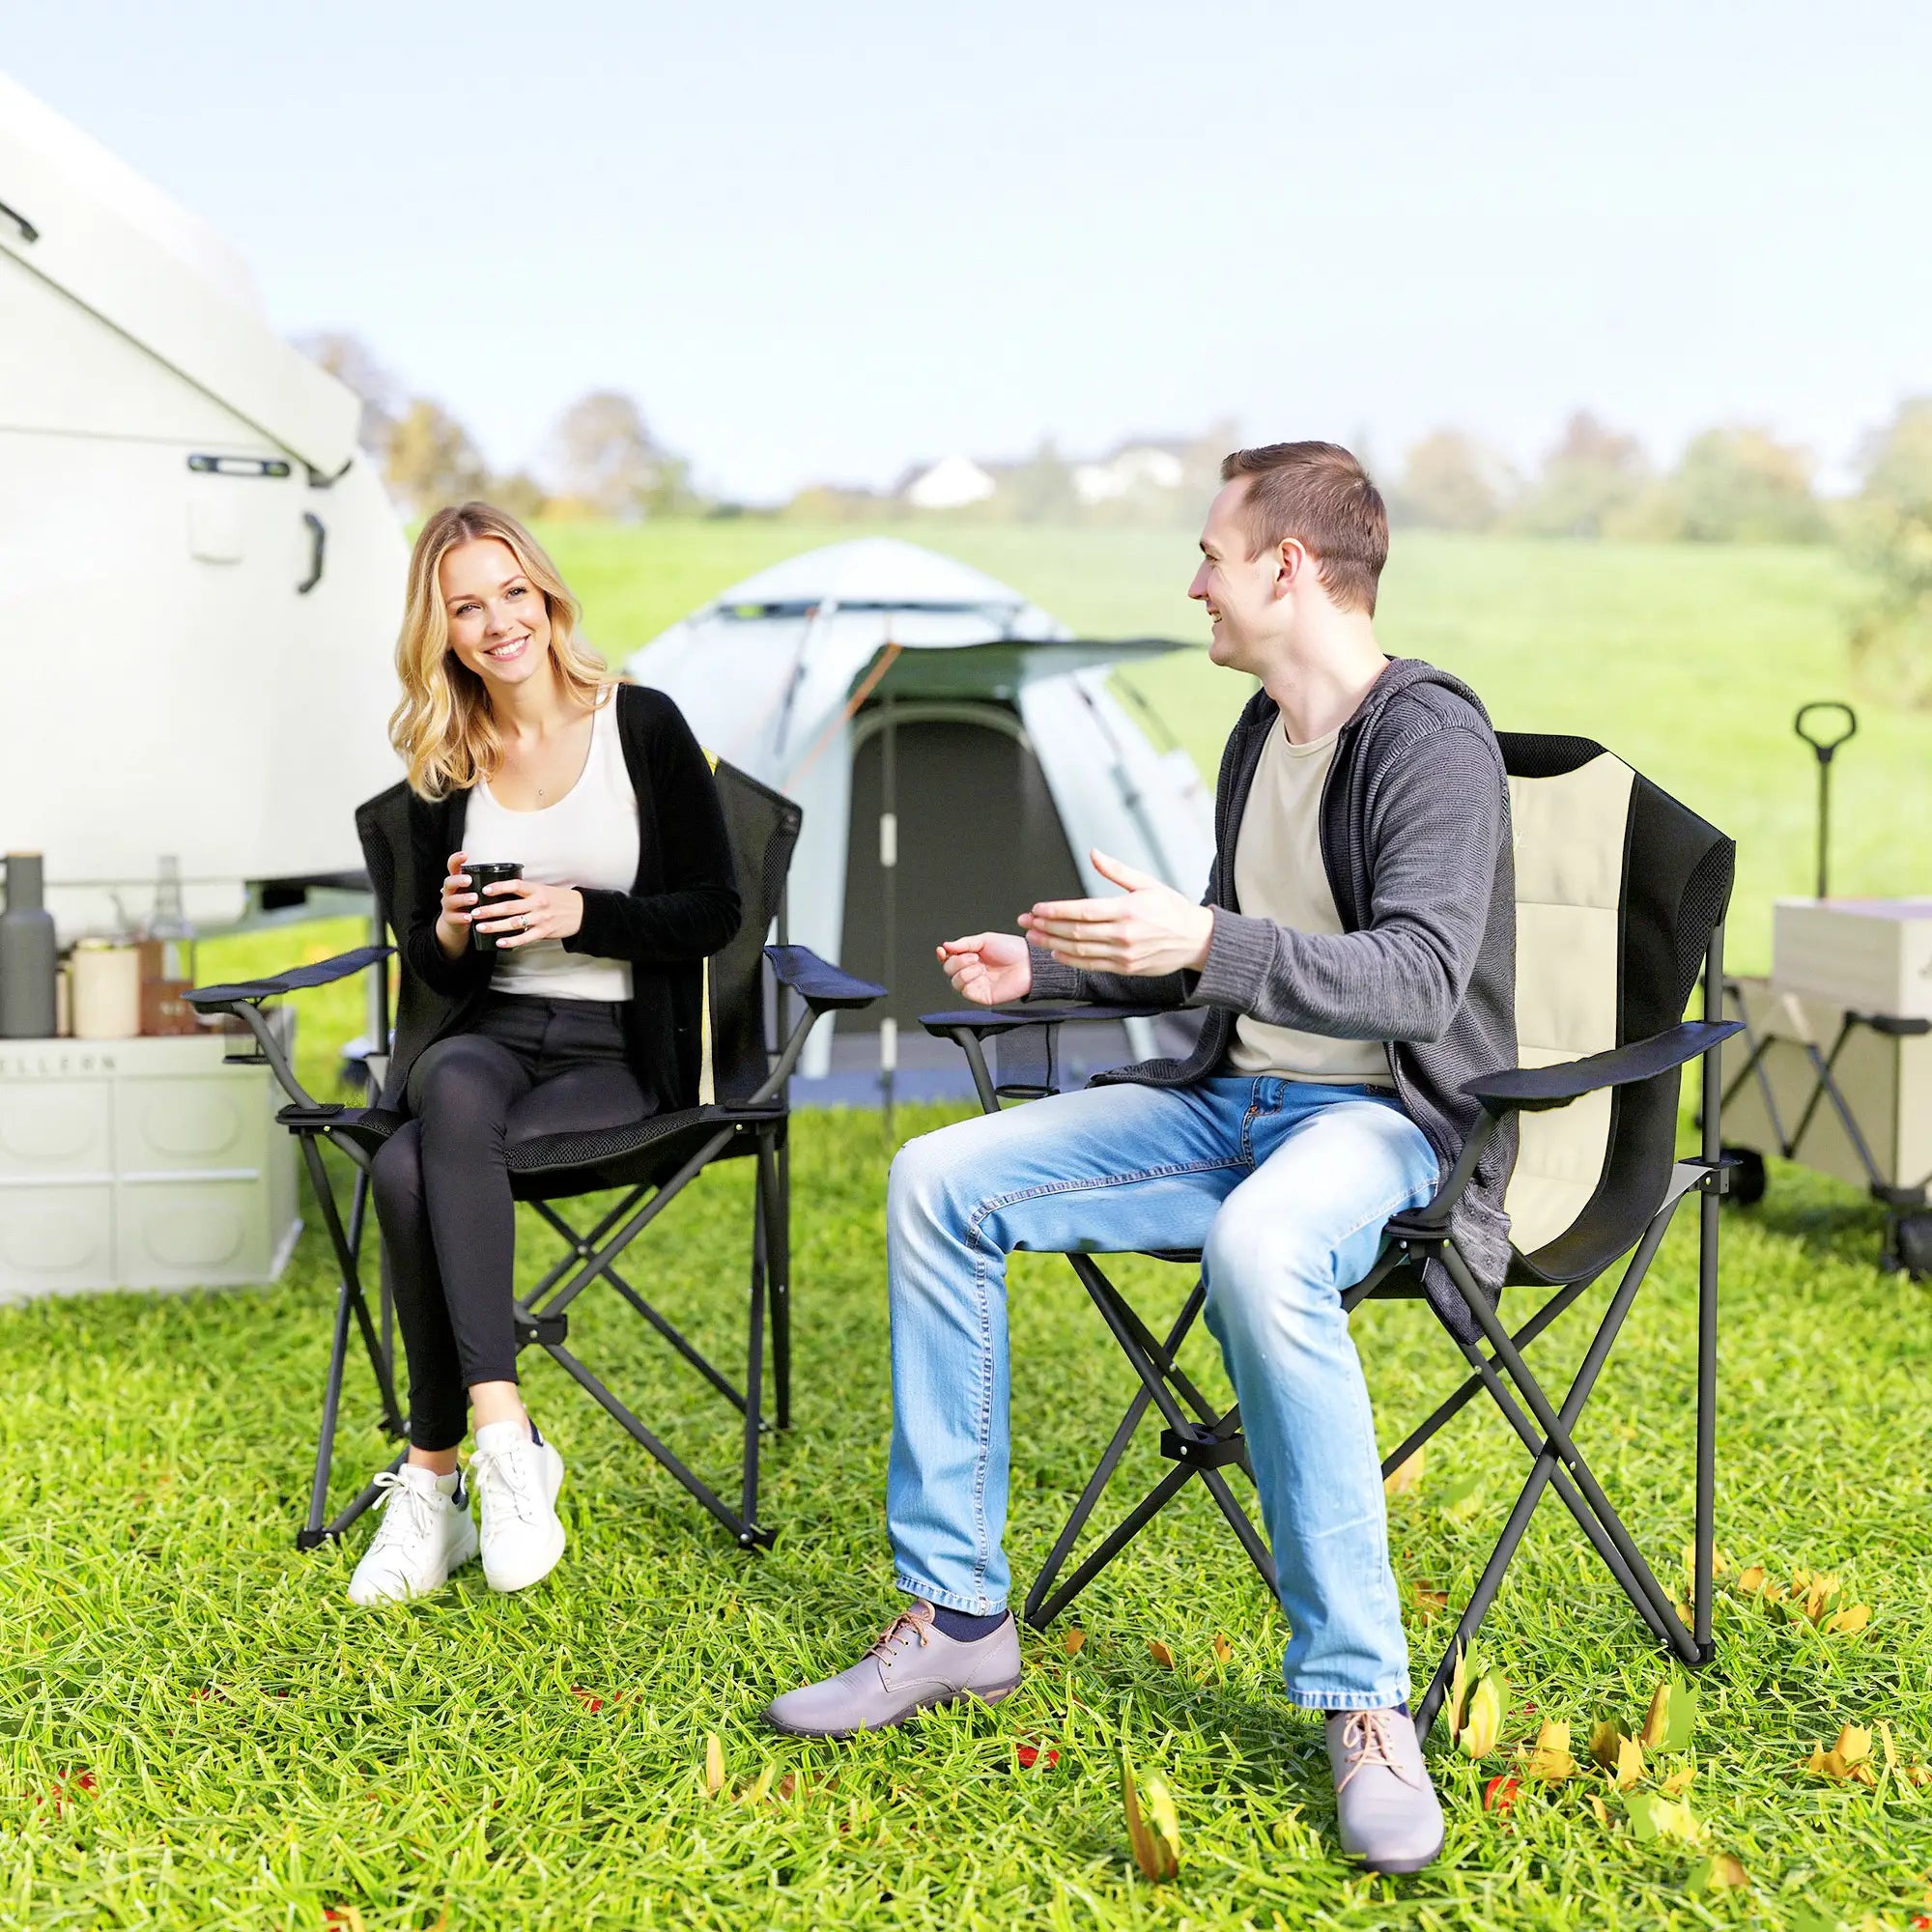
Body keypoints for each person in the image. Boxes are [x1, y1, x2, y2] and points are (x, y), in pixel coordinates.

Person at [766, 442, 1517, 1876]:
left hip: (1378, 1126)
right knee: (939, 1180)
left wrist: (1205, 939)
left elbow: (1420, 981)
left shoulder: (1429, 740)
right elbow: (1224, 971)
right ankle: (961, 1620)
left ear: (1287, 569)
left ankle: (1364, 1701)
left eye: (1212, 555)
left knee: (1261, 1244)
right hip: (1226, 1102)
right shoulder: (1258, 735)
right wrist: (1050, 969)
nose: (1195, 583)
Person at [348, 503, 739, 1607]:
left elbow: (713, 909)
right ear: (443, 631)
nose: (496, 621)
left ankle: (432, 1479)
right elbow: (431, 968)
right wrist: (461, 928)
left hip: (615, 1049)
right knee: (452, 1083)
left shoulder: (642, 725)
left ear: (546, 595)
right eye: (465, 606)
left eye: (510, 592)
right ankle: (502, 1437)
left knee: (403, 1164)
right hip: (490, 1041)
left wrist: (581, 911)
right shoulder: (444, 758)